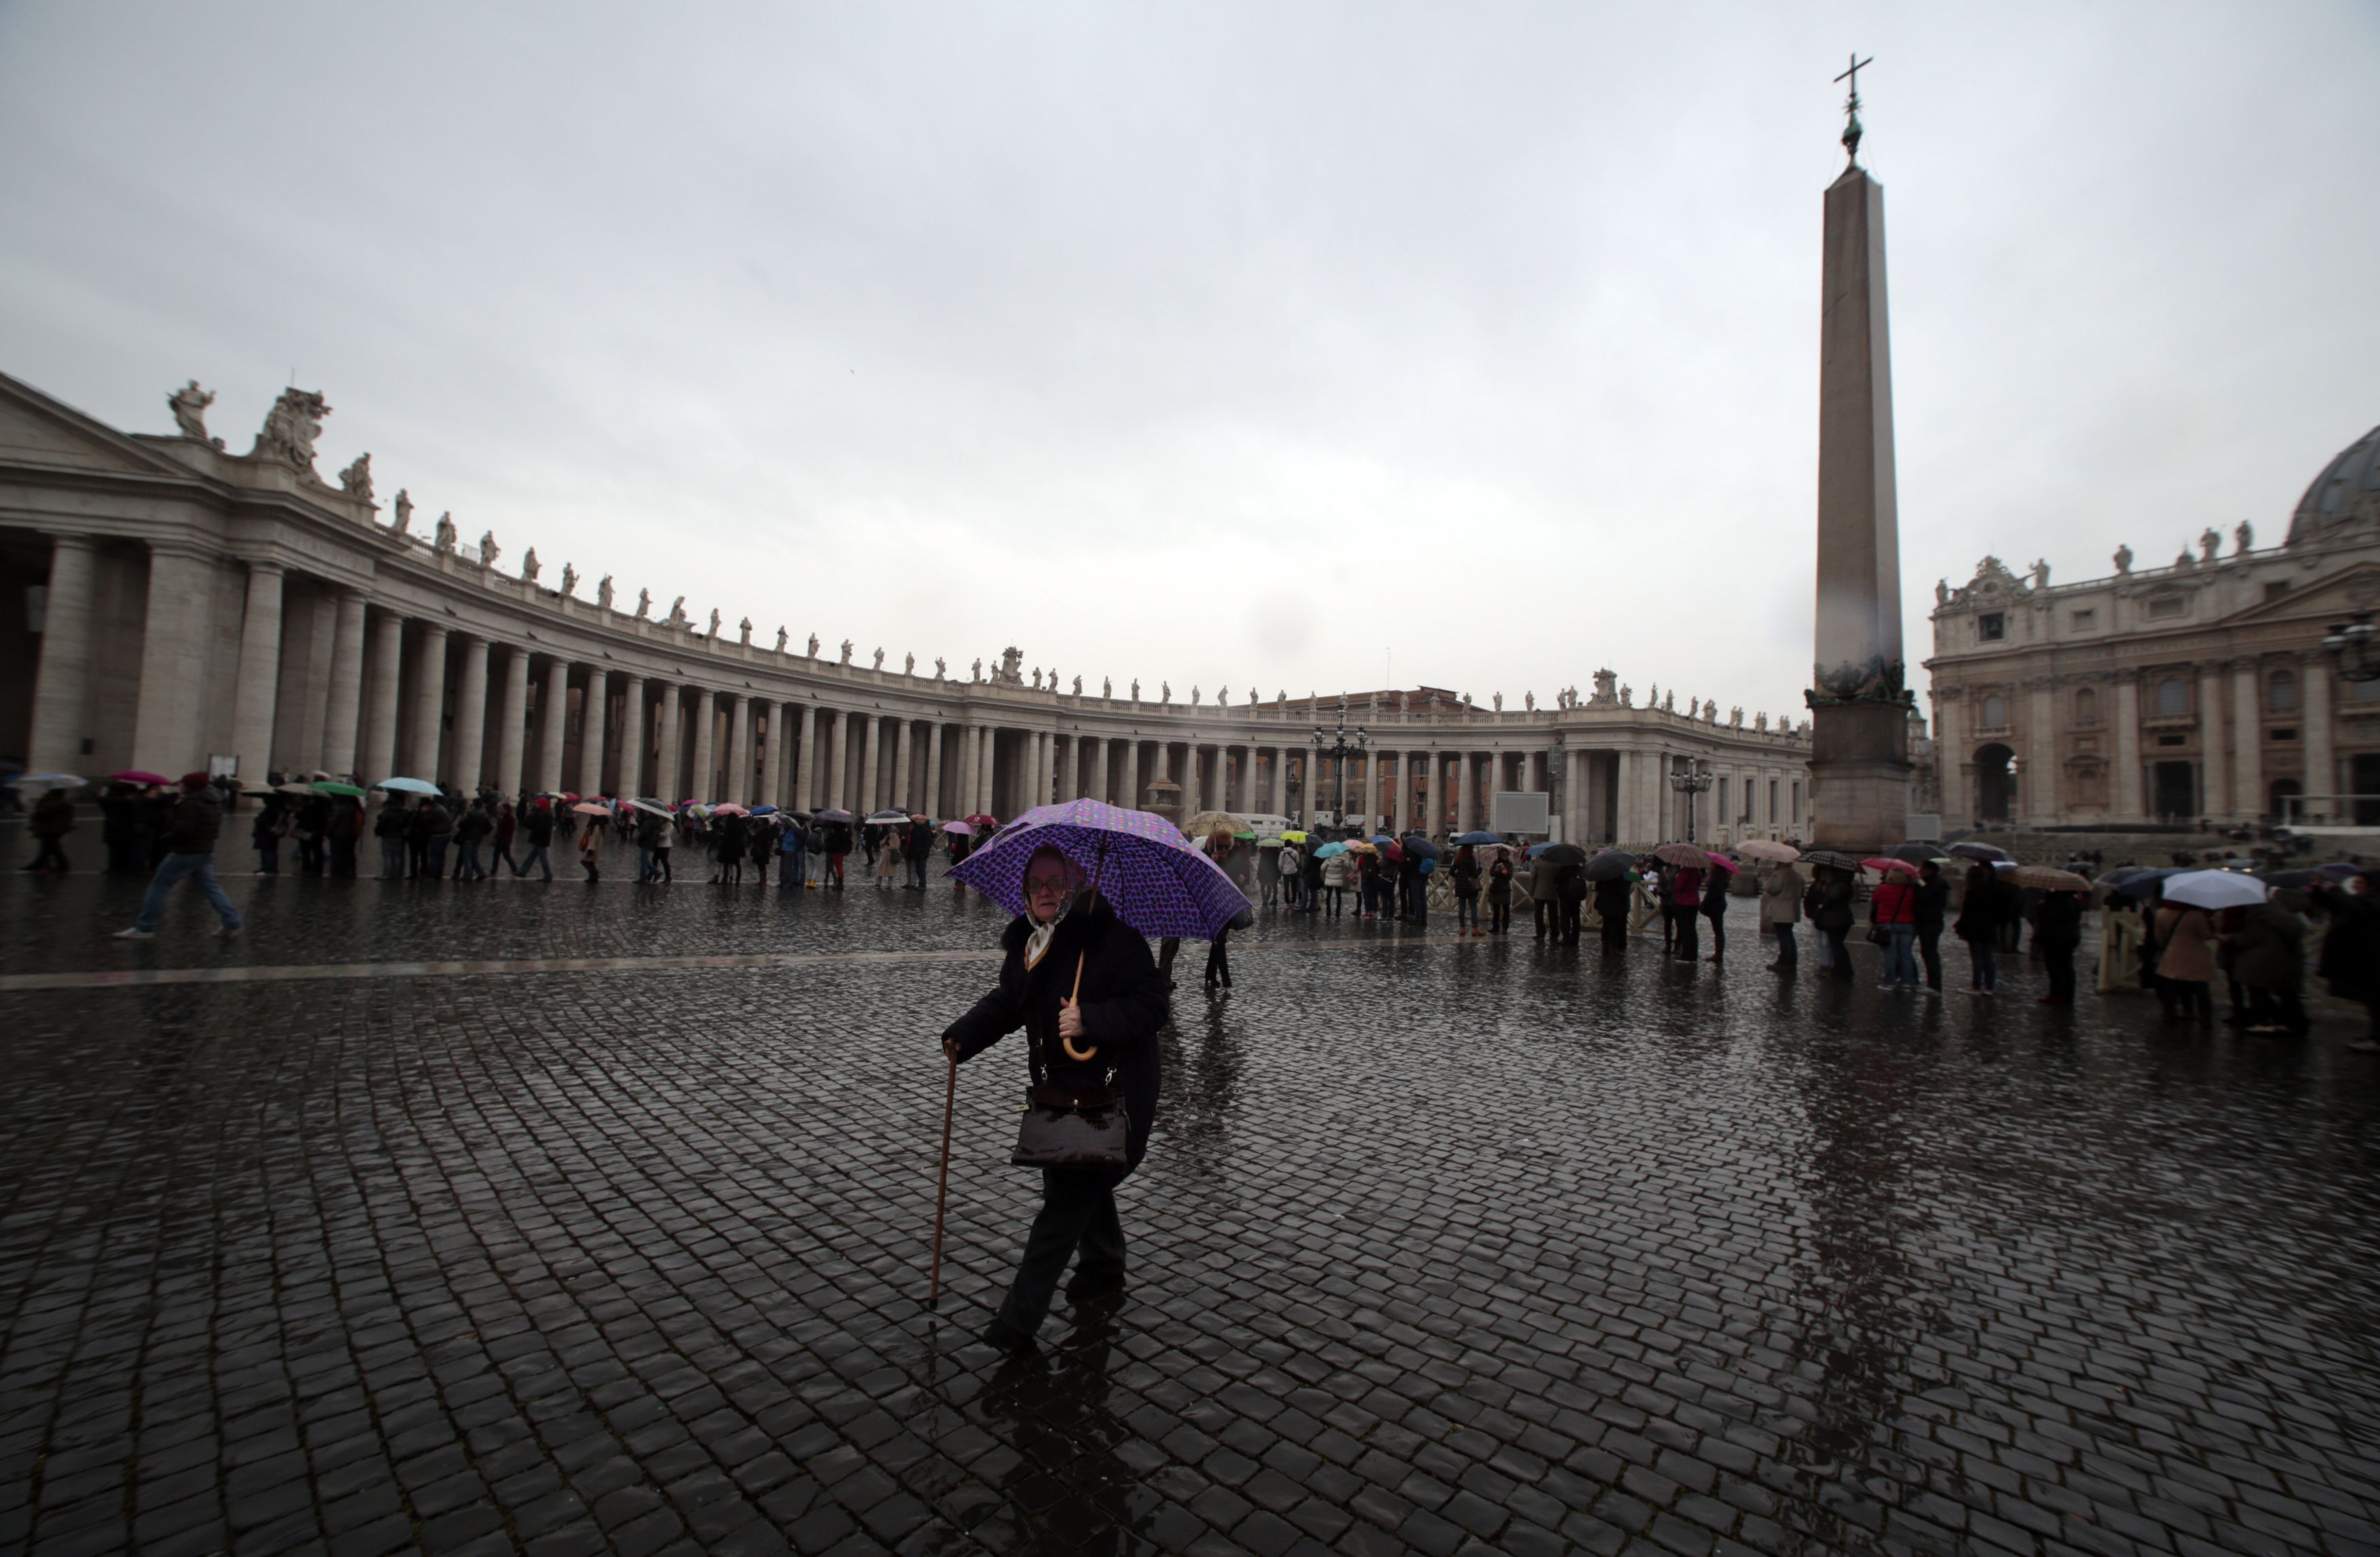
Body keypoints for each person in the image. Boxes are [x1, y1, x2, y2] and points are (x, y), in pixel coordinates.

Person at [941, 846, 1168, 1352]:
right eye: (1036, 882)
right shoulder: (1031, 941)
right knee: (1080, 1176)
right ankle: (1104, 1264)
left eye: (1055, 882)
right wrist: (965, 1036)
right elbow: (1010, 1000)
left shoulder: (1115, 939)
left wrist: (1090, 1017)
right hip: (1063, 1094)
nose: (1045, 891)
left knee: (1064, 1202)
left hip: (1118, 1094)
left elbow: (1153, 1006)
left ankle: (1016, 1325)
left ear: (1075, 885)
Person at [115, 773, 241, 940]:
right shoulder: (214, 802)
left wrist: (165, 838)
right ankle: (232, 922)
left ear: (190, 786)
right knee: (211, 889)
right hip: (205, 851)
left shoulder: (191, 804)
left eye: (183, 784)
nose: (180, 786)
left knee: (159, 886)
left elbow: (184, 831)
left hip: (185, 852)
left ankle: (145, 927)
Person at [2314, 875, 2380, 1050]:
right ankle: (2374, 1035)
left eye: (2360, 882)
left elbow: (2359, 910)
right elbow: (2338, 907)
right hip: (2359, 957)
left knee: (2375, 1000)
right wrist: (2319, 892)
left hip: (2372, 958)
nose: (2355, 885)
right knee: (2369, 1000)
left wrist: (2336, 891)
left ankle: (2377, 1039)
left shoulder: (2372, 902)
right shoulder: (2360, 900)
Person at [2229, 895, 2306, 1035]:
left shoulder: (2260, 922)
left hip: (2259, 961)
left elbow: (2246, 940)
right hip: (2278, 960)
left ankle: (2264, 1022)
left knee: (2258, 991)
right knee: (2280, 993)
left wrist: (2231, 938)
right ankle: (2288, 1022)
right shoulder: (2280, 920)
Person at [2152, 897, 2216, 1023]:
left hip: (2173, 954)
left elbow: (2160, 936)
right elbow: (2206, 935)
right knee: (2201, 987)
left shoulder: (2162, 913)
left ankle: (2170, 1014)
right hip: (2197, 955)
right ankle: (2205, 1019)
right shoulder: (2197, 914)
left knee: (2170, 984)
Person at [1954, 864, 2010, 994]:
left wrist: (1960, 928)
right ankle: (1990, 986)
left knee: (1977, 958)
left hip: (1974, 927)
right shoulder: (1993, 889)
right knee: (1988, 957)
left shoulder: (1972, 891)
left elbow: (1967, 914)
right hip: (1989, 927)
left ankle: (1976, 986)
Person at [2033, 889, 2084, 1004]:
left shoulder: (2056, 901)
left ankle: (2058, 993)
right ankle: (2067, 994)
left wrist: (2041, 907)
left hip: (2056, 937)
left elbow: (2049, 917)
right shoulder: (2073, 901)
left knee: (2055, 966)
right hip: (2070, 936)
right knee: (2067, 966)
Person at [1871, 867, 1918, 990]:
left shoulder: (1882, 889)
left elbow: (1874, 901)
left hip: (1887, 924)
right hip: (1907, 925)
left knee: (1889, 955)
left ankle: (1889, 983)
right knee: (1906, 955)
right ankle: (1907, 983)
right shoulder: (1910, 890)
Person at [1811, 866, 1854, 980]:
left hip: (1834, 920)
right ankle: (1843, 970)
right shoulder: (1846, 885)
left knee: (1836, 946)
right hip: (1843, 919)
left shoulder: (1836, 886)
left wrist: (1822, 898)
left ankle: (1842, 971)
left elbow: (1829, 901)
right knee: (1838, 945)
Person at [1759, 859, 1803, 970]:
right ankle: (1792, 960)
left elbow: (1771, 889)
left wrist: (1767, 879)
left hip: (1781, 910)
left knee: (1783, 936)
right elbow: (1802, 892)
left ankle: (1784, 961)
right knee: (1788, 935)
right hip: (1792, 910)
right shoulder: (1797, 875)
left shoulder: (1780, 874)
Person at [1913, 861, 1948, 991]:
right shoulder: (1936, 882)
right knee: (1929, 953)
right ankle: (1933, 982)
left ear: (1930, 870)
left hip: (1929, 923)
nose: (1920, 872)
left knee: (1930, 954)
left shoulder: (1935, 884)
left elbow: (1923, 897)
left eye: (1922, 869)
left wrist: (1915, 885)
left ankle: (1934, 984)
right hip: (1932, 922)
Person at [25, 787, 75, 872]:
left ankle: (62, 866)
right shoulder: (62, 803)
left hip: (50, 829)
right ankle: (43, 865)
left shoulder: (53, 802)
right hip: (53, 829)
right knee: (49, 848)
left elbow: (43, 813)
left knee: (52, 848)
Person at [451, 800, 492, 881]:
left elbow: (461, 824)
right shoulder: (484, 815)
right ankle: (481, 873)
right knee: (474, 857)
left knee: (467, 858)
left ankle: (468, 875)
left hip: (468, 837)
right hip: (478, 838)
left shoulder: (470, 814)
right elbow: (490, 828)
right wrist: (482, 833)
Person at [1671, 862, 1703, 960]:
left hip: (1684, 903)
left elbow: (1678, 886)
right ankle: (1693, 954)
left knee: (1685, 930)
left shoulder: (1685, 871)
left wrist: (1676, 878)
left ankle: (1686, 955)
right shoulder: (1697, 871)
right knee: (1692, 929)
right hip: (1694, 902)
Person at [1593, 870, 1631, 951]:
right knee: (1614, 925)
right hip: (1616, 904)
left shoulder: (1603, 874)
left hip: (1604, 903)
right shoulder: (1622, 874)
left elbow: (1597, 888)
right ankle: (1613, 946)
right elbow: (1623, 892)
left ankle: (1605, 946)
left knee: (1606, 924)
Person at [518, 801, 555, 880]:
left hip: (540, 839)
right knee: (532, 856)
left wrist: (530, 814)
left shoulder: (542, 814)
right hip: (543, 839)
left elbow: (535, 826)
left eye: (538, 804)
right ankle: (523, 872)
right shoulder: (547, 813)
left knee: (543, 858)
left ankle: (548, 875)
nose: (537, 805)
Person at [1699, 861, 1727, 961]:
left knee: (1718, 930)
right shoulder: (1719, 876)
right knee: (1718, 930)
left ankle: (1719, 954)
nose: (1710, 865)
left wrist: (1706, 902)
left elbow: (1715, 893)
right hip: (1718, 904)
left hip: (1716, 906)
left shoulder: (1718, 878)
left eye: (1712, 863)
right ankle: (1718, 953)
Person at [251, 796, 286, 875]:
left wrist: (259, 820)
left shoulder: (273, 810)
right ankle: (266, 868)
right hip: (268, 833)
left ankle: (269, 869)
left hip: (268, 833)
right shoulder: (275, 809)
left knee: (269, 852)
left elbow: (264, 820)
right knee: (267, 851)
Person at [374, 798, 407, 878]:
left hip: (388, 836)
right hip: (399, 836)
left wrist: (378, 832)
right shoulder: (404, 812)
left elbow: (381, 825)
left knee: (387, 855)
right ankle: (396, 873)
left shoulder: (387, 813)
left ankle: (387, 873)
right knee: (397, 856)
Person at [1450, 846, 1481, 934]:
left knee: (1462, 907)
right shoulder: (1470, 859)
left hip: (1460, 886)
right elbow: (1475, 875)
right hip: (1470, 886)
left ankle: (1462, 928)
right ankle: (1475, 928)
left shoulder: (1459, 859)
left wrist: (1460, 877)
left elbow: (1451, 872)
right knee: (1473, 907)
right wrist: (1480, 869)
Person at [1484, 852, 1514, 935]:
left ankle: (1505, 928)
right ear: (1500, 855)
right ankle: (1495, 927)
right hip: (1496, 888)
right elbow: (1491, 873)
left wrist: (1504, 871)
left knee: (1506, 909)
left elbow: (1509, 876)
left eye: (1506, 855)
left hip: (1505, 889)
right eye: (1503, 855)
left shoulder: (1510, 864)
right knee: (1496, 909)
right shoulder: (1496, 863)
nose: (1505, 856)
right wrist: (1497, 871)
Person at [634, 807, 666, 882]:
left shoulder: (649, 820)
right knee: (644, 859)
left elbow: (645, 832)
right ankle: (656, 872)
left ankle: (644, 877)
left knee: (643, 860)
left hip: (645, 841)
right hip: (650, 842)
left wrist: (639, 837)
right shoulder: (656, 820)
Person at [492, 800, 521, 876]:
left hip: (505, 840)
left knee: (506, 855)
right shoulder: (502, 817)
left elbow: (509, 830)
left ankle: (514, 869)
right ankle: (494, 871)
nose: (499, 810)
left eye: (501, 808)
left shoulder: (510, 818)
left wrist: (503, 837)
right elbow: (499, 829)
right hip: (500, 839)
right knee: (497, 855)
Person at [1321, 846, 1352, 919]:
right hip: (1338, 881)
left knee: (1329, 896)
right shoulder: (1341, 861)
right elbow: (1344, 868)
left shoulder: (1328, 860)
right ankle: (1338, 912)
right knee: (1339, 896)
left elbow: (1322, 869)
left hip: (1329, 880)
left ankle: (1328, 911)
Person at [577, 811, 604, 883]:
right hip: (592, 847)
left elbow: (593, 838)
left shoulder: (596, 827)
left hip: (592, 848)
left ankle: (594, 875)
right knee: (591, 863)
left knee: (585, 861)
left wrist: (590, 849)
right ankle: (593, 877)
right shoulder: (595, 826)